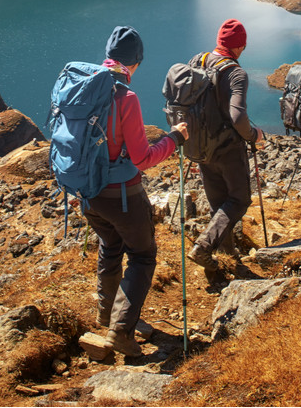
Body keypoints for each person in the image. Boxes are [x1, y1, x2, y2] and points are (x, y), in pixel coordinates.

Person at [83, 26, 188, 357]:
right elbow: (142, 158)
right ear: (135, 63)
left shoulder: (82, 85)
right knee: (142, 255)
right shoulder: (125, 97)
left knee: (110, 245)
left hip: (87, 193)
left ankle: (105, 312)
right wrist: (174, 139)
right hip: (120, 195)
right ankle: (121, 331)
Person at [185, 19, 264, 288]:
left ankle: (224, 261)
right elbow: (238, 116)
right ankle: (204, 248)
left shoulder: (198, 60)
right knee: (239, 200)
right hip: (227, 149)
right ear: (240, 46)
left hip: (200, 147)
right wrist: (254, 136)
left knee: (219, 204)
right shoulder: (236, 73)